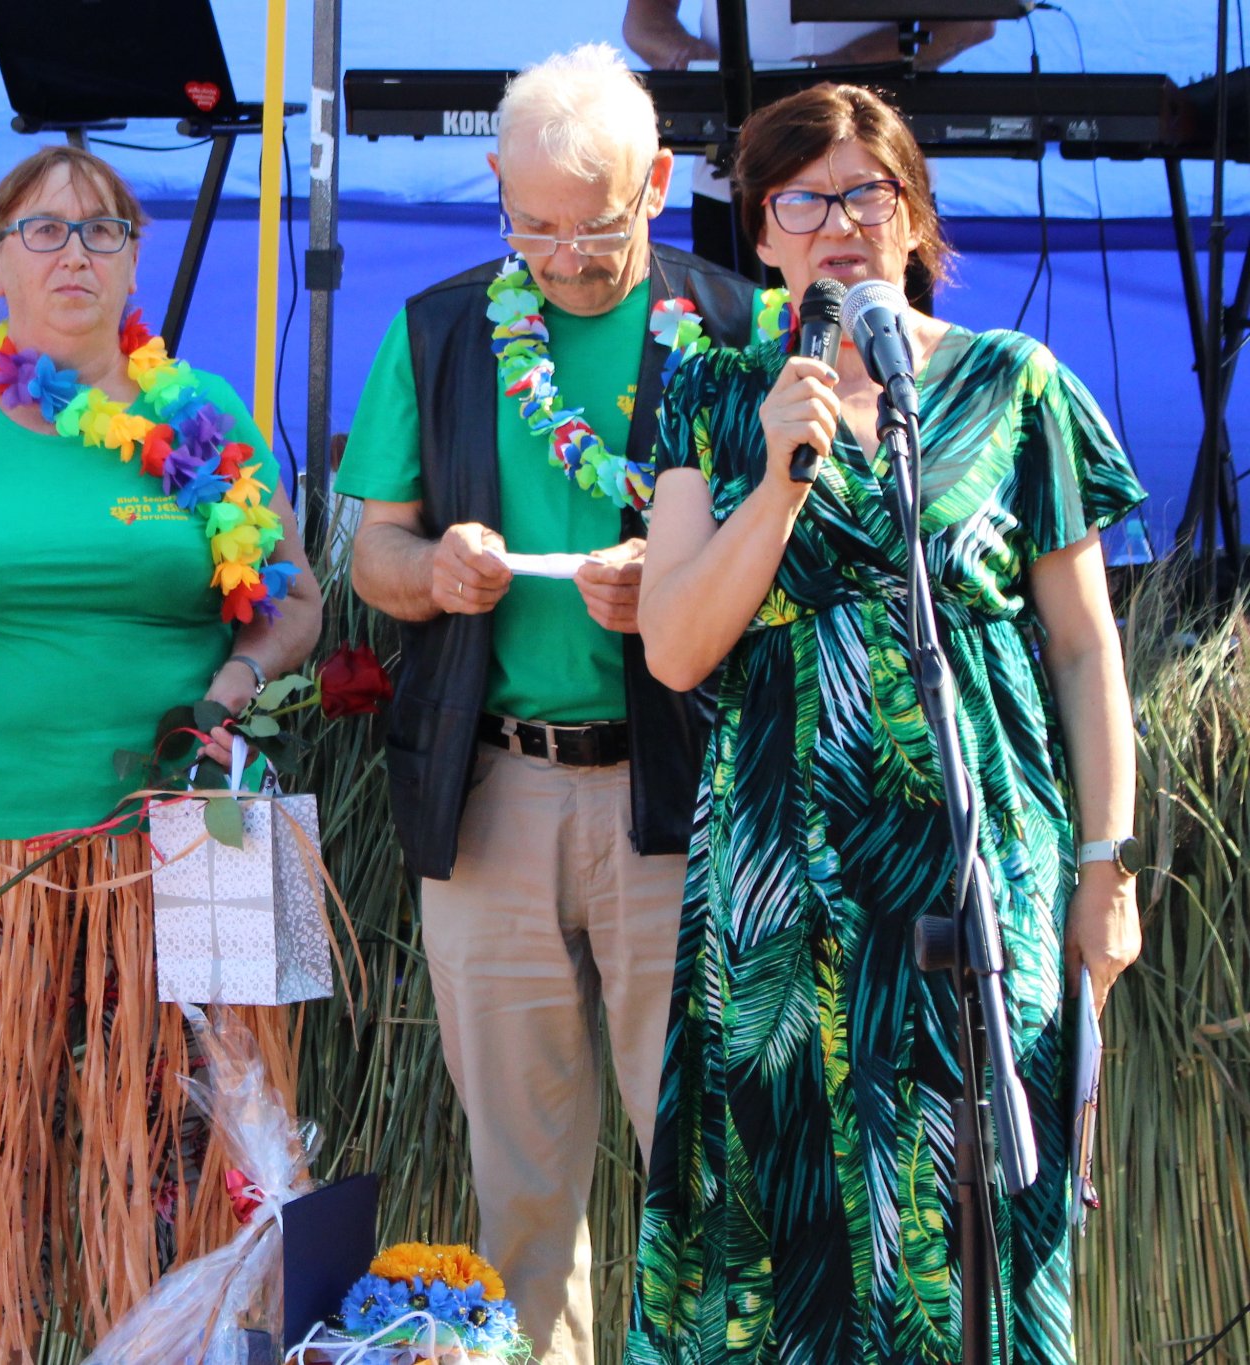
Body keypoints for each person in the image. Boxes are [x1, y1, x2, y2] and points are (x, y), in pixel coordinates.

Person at [631, 83, 1144, 1362]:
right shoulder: (713, 396)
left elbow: (1083, 651)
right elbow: (678, 645)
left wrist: (1103, 863)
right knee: (781, 1216)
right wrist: (778, 482)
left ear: (914, 215)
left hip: (978, 877)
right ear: (759, 235)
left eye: (868, 192)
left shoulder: (1014, 386)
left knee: (981, 1200)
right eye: (801, 199)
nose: (838, 223)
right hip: (778, 885)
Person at [0, 144, 321, 1363]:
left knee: (179, 1152)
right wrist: (4, 706)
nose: (75, 254)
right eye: (44, 232)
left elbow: (292, 598)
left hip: (180, 845)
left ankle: (180, 1345)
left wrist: (230, 684)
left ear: (134, 259)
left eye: (103, 231)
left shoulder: (205, 419)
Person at [335, 46, 781, 1365]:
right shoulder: (441, 326)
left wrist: (686, 587)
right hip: (494, 791)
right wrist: (434, 573)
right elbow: (373, 554)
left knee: (699, 1149)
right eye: (529, 225)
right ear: (495, 187)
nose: (562, 257)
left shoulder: (739, 325)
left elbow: (800, 559)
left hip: (683, 791)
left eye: (593, 228)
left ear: (657, 182)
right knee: (520, 1169)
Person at [621, 0, 993, 300]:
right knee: (732, 369)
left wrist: (844, 66)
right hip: (730, 178)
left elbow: (977, 19)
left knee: (892, 360)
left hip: (875, 184)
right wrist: (695, 60)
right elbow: (643, 21)